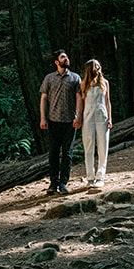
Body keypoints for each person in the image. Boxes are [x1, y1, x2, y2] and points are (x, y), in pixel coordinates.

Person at [39, 49, 80, 194]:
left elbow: (79, 98)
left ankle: (63, 183)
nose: (66, 59)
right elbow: (43, 98)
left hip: (70, 121)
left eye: (67, 57)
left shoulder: (75, 78)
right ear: (57, 62)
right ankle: (53, 183)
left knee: (67, 153)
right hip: (54, 121)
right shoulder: (49, 78)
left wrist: (78, 116)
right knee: (53, 153)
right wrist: (43, 118)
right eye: (63, 57)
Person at [75, 59, 112, 188]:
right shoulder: (83, 84)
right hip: (88, 117)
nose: (99, 67)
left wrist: (110, 119)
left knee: (103, 146)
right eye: (96, 66)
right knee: (88, 147)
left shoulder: (105, 83)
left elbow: (107, 102)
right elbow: (81, 103)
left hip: (102, 116)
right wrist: (79, 118)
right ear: (90, 68)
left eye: (99, 65)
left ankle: (100, 177)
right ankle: (90, 177)